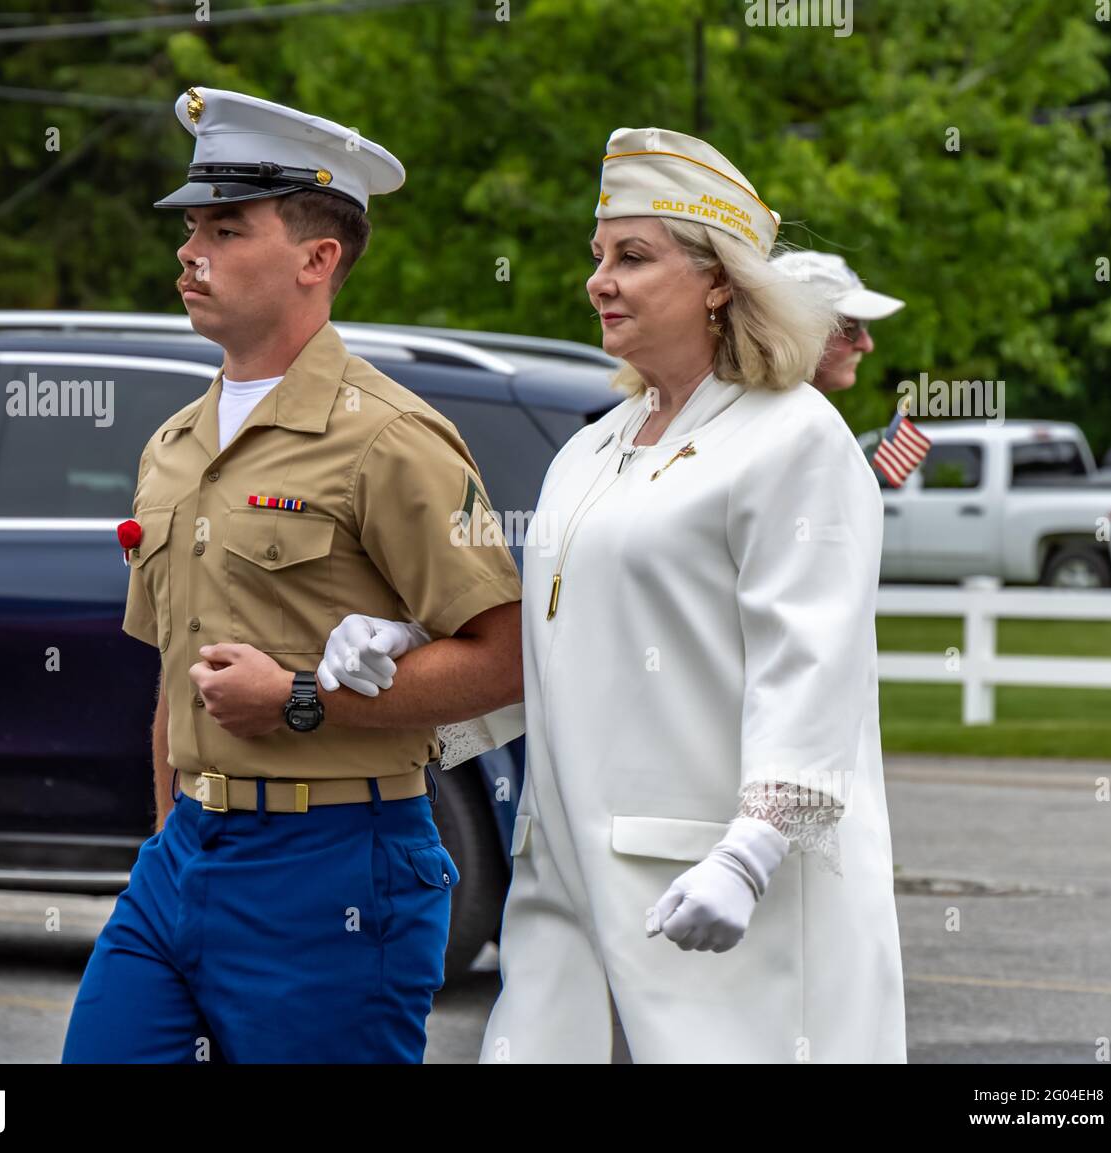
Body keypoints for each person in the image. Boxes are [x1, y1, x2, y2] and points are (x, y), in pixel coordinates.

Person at [326, 127, 907, 1063]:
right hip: (563, 890)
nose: (600, 279)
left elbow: (815, 663)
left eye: (633, 257)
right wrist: (407, 639)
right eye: (598, 256)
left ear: (721, 279)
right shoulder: (593, 448)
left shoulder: (795, 437)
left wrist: (754, 850)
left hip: (723, 896)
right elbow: (561, 640)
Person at [61, 87, 523, 1064]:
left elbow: (508, 660)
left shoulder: (394, 441)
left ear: (318, 259)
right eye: (192, 228)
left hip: (338, 868)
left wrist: (302, 699)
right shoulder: (174, 445)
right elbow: (172, 682)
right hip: (184, 856)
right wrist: (168, 839)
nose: (191, 253)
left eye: (227, 230)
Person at [769, 250, 904, 393]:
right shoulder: (789, 413)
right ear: (794, 330)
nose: (867, 345)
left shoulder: (767, 407)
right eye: (850, 327)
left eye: (864, 324)